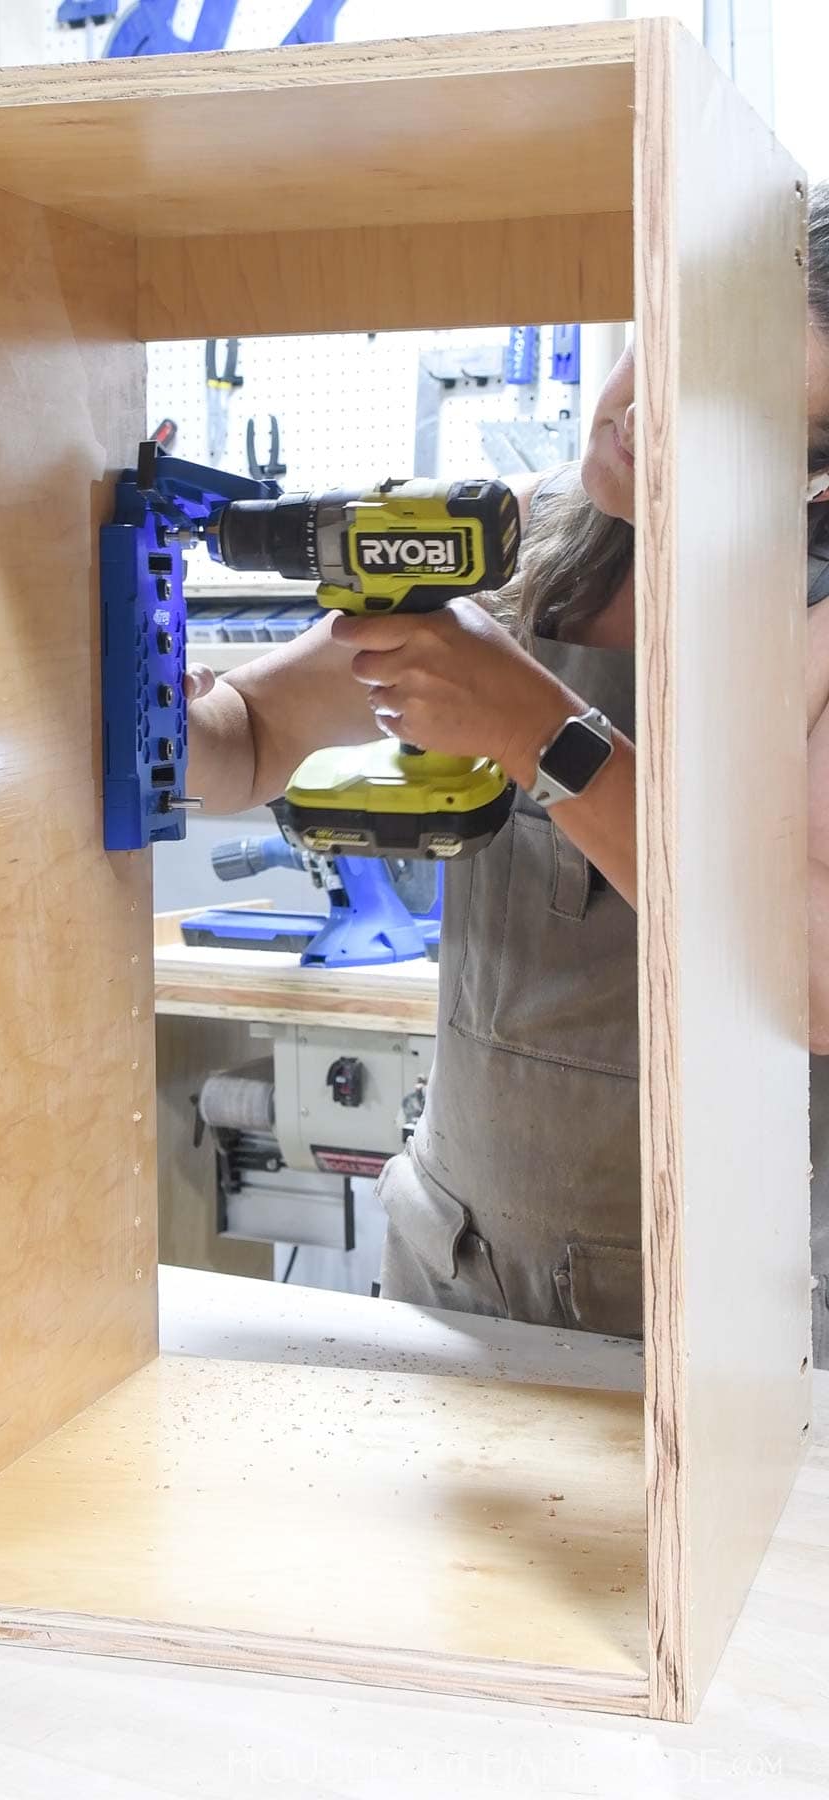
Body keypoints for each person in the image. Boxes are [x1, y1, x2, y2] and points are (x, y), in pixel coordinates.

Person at [186, 182, 829, 1352]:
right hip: (455, 1248)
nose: (642, 410)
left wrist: (544, 734)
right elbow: (245, 741)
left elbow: (814, 978)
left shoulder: (804, 633)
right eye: (664, 342)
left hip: (701, 1309)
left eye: (728, 401)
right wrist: (154, 704)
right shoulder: (516, 546)